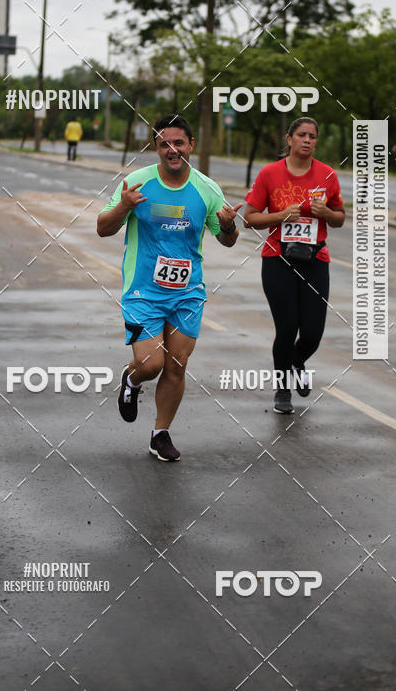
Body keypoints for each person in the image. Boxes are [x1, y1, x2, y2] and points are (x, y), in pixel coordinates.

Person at [97, 114, 241, 462]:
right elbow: (103, 228)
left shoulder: (207, 189)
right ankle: (132, 380)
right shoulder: (136, 183)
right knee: (150, 364)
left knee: (176, 365)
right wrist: (123, 206)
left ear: (191, 145)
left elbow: (227, 241)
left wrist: (229, 227)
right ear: (156, 147)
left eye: (179, 143)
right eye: (164, 143)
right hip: (143, 291)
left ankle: (160, 434)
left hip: (187, 293)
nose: (172, 149)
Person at [243, 117, 345, 415]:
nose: (307, 140)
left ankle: (297, 361)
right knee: (287, 327)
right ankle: (282, 388)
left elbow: (339, 218)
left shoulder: (327, 175)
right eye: (301, 134)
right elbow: (249, 218)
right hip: (278, 260)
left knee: (312, 332)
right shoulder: (270, 174)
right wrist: (280, 216)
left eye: (313, 136)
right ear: (289, 139)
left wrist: (325, 211)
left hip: (316, 260)